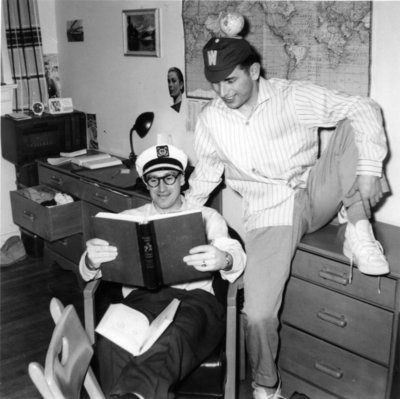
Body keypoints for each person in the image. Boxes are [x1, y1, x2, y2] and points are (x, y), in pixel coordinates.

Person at [185, 35, 390, 399]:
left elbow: (364, 106)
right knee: (260, 314)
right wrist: (172, 217)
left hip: (313, 193)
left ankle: (358, 229)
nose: (222, 91)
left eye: (230, 80)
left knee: (351, 124)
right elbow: (204, 177)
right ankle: (267, 386)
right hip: (270, 213)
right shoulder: (212, 120)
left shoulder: (291, 96)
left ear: (254, 70)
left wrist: (370, 171)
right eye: (215, 82)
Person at [79, 144, 246, 399]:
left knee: (169, 340)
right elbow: (90, 267)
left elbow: (234, 253)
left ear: (181, 179)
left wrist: (223, 259)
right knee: (111, 343)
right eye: (153, 180)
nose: (162, 187)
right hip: (141, 300)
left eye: (169, 177)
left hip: (195, 302)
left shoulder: (206, 216)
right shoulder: (129, 218)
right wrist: (91, 261)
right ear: (146, 183)